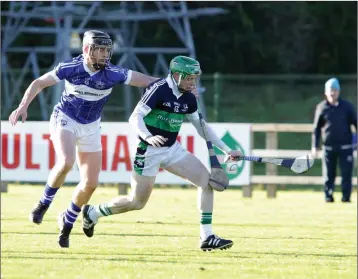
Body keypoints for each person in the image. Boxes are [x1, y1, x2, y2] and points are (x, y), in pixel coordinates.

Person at [8, 30, 161, 248]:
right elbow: (39, 83)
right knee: (66, 162)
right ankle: (44, 202)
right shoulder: (70, 68)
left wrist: (177, 86)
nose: (104, 55)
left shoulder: (114, 73)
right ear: (87, 49)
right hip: (65, 118)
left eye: (107, 50)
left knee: (91, 183)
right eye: (99, 49)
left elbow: (150, 81)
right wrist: (23, 106)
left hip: (91, 127)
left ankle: (67, 219)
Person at [79, 55, 242, 251]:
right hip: (148, 151)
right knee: (137, 203)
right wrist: (147, 137)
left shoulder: (189, 97)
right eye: (189, 78)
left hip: (172, 150)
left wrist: (226, 149)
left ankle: (206, 236)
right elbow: (135, 117)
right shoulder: (158, 90)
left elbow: (202, 127)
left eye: (194, 78)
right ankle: (93, 213)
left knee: (206, 182)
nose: (192, 82)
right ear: (176, 75)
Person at [312, 78, 357, 203]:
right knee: (328, 175)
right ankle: (328, 197)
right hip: (329, 147)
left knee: (346, 175)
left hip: (345, 147)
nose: (332, 93)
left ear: (339, 91)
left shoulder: (347, 107)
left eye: (335, 90)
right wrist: (314, 146)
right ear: (326, 92)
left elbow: (356, 123)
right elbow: (316, 128)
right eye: (330, 90)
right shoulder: (321, 108)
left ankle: (346, 198)